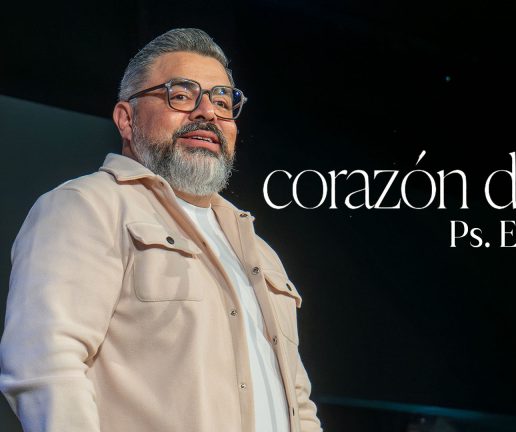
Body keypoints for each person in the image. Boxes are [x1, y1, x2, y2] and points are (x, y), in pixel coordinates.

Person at [0, 28, 322, 432]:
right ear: (126, 118)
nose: (207, 113)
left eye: (222, 101)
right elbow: (45, 365)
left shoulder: (260, 252)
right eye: (181, 95)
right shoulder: (88, 206)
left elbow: (298, 401)